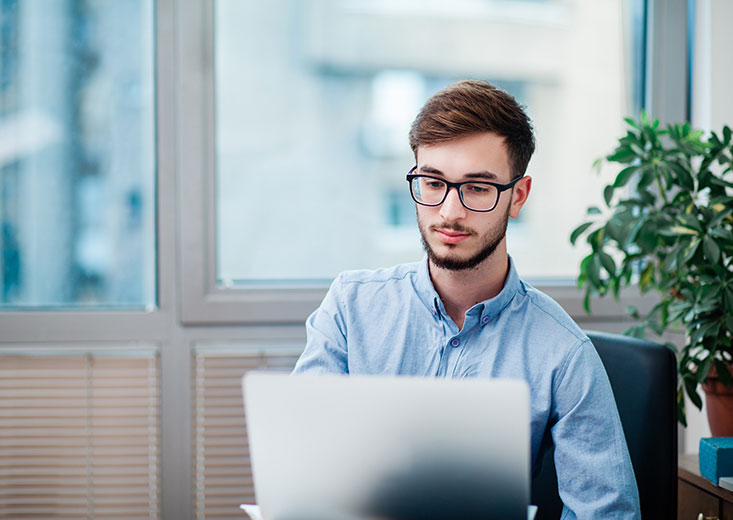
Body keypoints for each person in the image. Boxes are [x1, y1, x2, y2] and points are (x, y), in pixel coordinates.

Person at [292, 80, 641, 518]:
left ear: (518, 196)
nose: (449, 212)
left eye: (477, 188)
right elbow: (302, 476)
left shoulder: (563, 353)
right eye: (433, 182)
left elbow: (607, 513)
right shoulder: (349, 308)